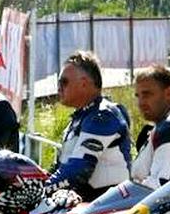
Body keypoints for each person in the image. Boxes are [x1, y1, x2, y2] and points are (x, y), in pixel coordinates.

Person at [48, 50, 131, 200]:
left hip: (109, 204)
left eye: (64, 82)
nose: (59, 87)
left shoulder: (103, 115)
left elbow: (78, 170)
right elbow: (60, 167)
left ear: (84, 83)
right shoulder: (81, 117)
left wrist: (42, 189)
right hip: (89, 202)